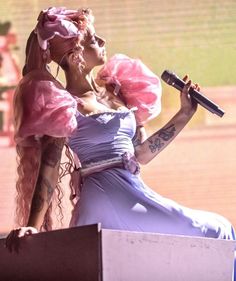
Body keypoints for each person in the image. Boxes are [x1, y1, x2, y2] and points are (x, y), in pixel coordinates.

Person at [6, 7, 235, 255]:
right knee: (217, 230)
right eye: (93, 39)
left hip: (129, 188)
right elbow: (48, 169)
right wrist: (32, 226)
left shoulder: (115, 90)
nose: (102, 42)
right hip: (106, 194)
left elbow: (141, 154)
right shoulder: (64, 103)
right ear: (75, 54)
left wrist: (184, 113)